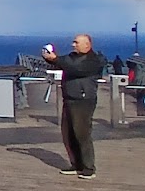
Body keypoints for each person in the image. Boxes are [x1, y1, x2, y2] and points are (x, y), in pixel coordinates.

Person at [43, 34, 107, 178]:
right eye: (73, 42)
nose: (73, 45)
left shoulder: (93, 60)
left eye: (76, 42)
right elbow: (62, 63)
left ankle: (88, 168)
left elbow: (76, 68)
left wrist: (56, 59)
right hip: (69, 99)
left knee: (82, 133)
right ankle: (76, 164)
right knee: (68, 133)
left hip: (83, 100)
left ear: (87, 45)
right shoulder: (72, 57)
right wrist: (49, 57)